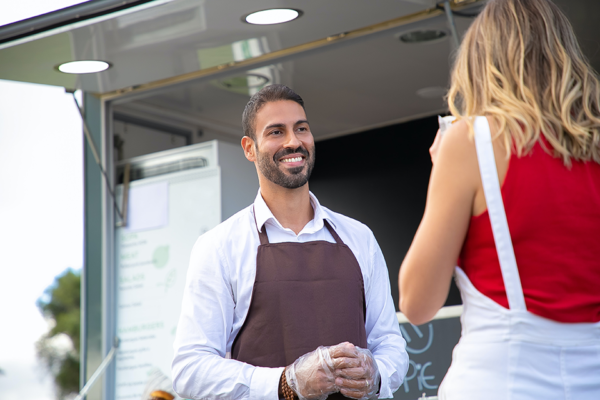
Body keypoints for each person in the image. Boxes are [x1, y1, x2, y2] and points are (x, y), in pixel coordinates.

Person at [399, 0, 600, 398]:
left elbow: (416, 302)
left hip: (498, 379)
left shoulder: (472, 141)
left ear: (482, 62)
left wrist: (443, 173)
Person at [172, 84, 408, 400]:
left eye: (301, 129)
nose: (293, 141)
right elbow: (190, 370)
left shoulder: (359, 238)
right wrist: (286, 383)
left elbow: (390, 345)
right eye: (276, 132)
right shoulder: (219, 247)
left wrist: (376, 373)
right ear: (249, 148)